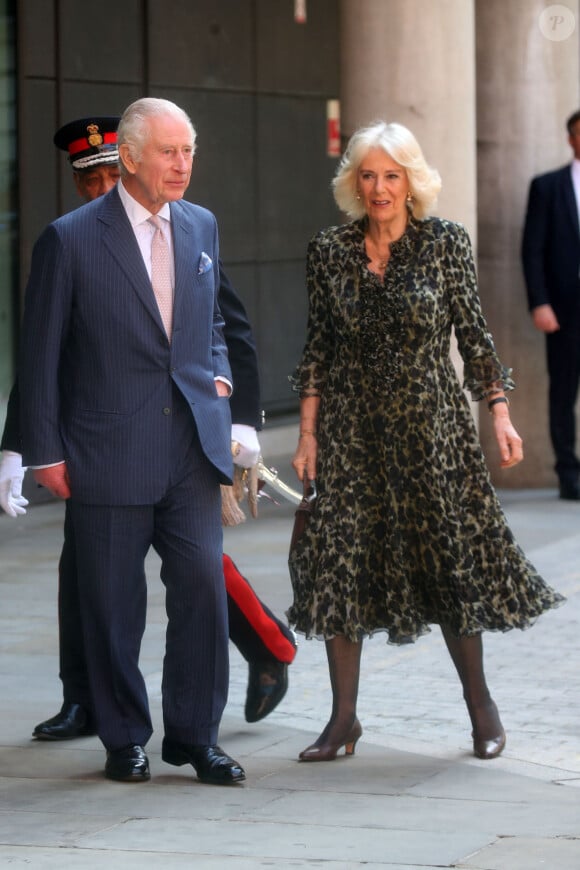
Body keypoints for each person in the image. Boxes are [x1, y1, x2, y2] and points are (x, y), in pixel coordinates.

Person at [0, 115, 296, 742]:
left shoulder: (189, 228)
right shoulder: (77, 241)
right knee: (92, 582)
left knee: (200, 570)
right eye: (91, 179)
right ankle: (90, 703)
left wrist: (238, 415)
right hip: (100, 441)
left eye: (110, 173)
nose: (101, 186)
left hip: (183, 432)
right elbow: (44, 354)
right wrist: (22, 446)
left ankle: (262, 655)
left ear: (129, 161)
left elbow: (223, 326)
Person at [288, 120, 565, 764]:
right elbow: (319, 346)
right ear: (353, 183)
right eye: (368, 175)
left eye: (392, 175)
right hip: (352, 432)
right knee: (340, 563)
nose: (380, 188)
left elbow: (473, 336)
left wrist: (499, 413)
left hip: (431, 429)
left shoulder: (444, 243)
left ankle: (482, 710)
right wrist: (306, 433)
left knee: (449, 563)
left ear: (412, 182)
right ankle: (343, 721)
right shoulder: (329, 249)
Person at [521, 109, 580, 501]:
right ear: (570, 138)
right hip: (564, 310)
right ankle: (569, 475)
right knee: (563, 392)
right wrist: (539, 302)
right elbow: (532, 250)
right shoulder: (548, 186)